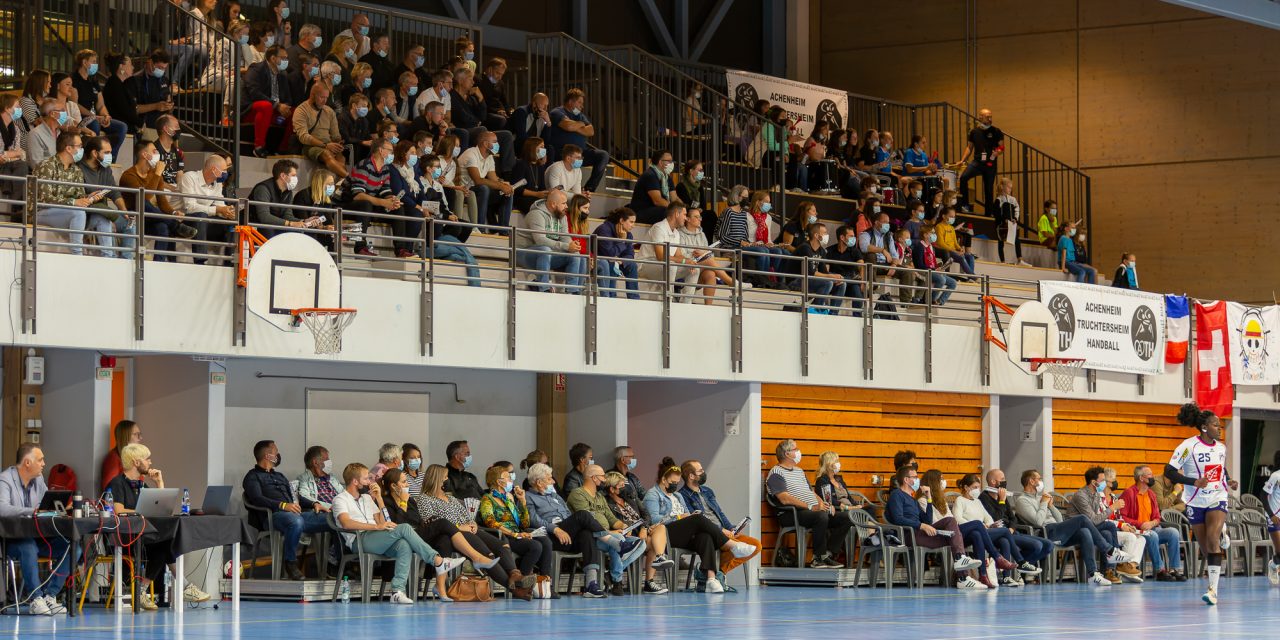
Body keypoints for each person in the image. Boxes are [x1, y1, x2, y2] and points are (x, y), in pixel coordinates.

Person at [333, 463, 464, 604]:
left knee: (403, 545)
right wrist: (376, 527)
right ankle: (437, 561)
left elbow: (384, 521)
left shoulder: (366, 498)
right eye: (366, 479)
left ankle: (397, 591)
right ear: (355, 481)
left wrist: (379, 499)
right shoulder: (340, 499)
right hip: (358, 540)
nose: (370, 482)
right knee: (404, 528)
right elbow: (346, 523)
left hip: (376, 537)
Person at [107, 444, 211, 607]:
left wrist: (159, 483)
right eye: (147, 459)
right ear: (136, 462)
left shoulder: (142, 485)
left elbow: (162, 510)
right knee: (164, 543)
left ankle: (142, 591)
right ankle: (182, 586)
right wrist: (141, 511)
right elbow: (119, 510)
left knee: (165, 542)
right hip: (126, 537)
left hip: (144, 535)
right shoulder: (118, 482)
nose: (150, 462)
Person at [1166, 402, 1238, 605]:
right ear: (1205, 427)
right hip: (1194, 500)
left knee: (1213, 538)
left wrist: (1229, 480)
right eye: (1216, 425)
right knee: (1207, 549)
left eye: (1220, 425)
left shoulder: (1222, 448)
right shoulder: (1188, 447)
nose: (1220, 428)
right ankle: (1222, 532)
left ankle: (1212, 590)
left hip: (1217, 496)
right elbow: (1169, 471)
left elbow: (1221, 470)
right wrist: (1193, 481)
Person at [1011, 468, 1134, 586]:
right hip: (1046, 533)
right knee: (1082, 519)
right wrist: (1043, 503)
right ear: (1031, 481)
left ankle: (1093, 575)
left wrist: (1051, 506)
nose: (1041, 481)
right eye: (1039, 478)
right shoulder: (1022, 501)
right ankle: (1109, 551)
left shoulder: (1040, 498)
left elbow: (1059, 519)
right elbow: (1038, 522)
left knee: (1085, 531)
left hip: (1058, 529)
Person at [0, 444, 80, 615]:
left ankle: (50, 596)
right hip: (12, 540)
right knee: (28, 546)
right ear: (27, 462)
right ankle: (35, 599)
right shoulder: (5, 479)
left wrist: (62, 510)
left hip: (38, 537)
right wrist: (33, 512)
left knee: (73, 547)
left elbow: (46, 508)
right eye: (40, 459)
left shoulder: (39, 479)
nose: (44, 463)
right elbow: (2, 509)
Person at [242, 440, 332, 580]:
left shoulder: (280, 476)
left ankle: (334, 565)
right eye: (276, 452)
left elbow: (295, 497)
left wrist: (314, 503)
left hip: (296, 514)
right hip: (273, 517)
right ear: (268, 456)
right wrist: (283, 505)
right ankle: (290, 563)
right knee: (295, 521)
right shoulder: (252, 477)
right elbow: (257, 499)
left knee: (333, 518)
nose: (278, 454)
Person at [884, 466, 985, 589]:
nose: (918, 480)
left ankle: (963, 578)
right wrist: (921, 525)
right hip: (909, 535)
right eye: (915, 477)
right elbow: (898, 518)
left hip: (920, 534)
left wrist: (929, 498)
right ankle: (961, 565)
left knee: (952, 535)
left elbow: (927, 519)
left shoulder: (912, 499)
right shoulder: (897, 495)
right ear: (906, 480)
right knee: (950, 521)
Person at [524, 462, 609, 597]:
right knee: (582, 514)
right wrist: (556, 529)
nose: (553, 481)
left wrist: (569, 527)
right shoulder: (528, 497)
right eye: (549, 478)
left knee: (586, 534)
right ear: (539, 482)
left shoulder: (555, 496)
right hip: (551, 536)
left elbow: (568, 514)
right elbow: (533, 520)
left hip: (567, 535)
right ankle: (609, 539)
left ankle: (591, 585)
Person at [765, 439, 852, 569]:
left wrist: (825, 504)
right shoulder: (776, 473)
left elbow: (811, 492)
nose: (798, 451)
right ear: (787, 454)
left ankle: (827, 554)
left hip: (811, 511)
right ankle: (818, 558)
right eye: (795, 449)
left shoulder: (799, 471)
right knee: (821, 516)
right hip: (791, 513)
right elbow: (784, 499)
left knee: (847, 517)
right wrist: (811, 507)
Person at [566, 464, 649, 595]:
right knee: (618, 541)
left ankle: (611, 575)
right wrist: (611, 533)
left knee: (641, 543)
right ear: (594, 478)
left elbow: (611, 519)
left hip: (609, 537)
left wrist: (623, 526)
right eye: (602, 476)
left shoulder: (599, 497)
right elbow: (588, 521)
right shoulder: (577, 494)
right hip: (590, 537)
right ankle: (617, 581)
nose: (604, 480)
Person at [677, 459, 762, 585]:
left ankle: (717, 572)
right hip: (708, 533)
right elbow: (696, 520)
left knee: (756, 545)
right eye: (700, 470)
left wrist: (731, 528)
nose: (703, 472)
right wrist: (721, 531)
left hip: (724, 531)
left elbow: (719, 513)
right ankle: (712, 574)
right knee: (738, 547)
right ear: (691, 476)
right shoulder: (682, 496)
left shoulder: (707, 491)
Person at [953, 472, 1044, 587]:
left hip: (982, 532)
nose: (977, 490)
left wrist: (991, 525)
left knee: (1003, 540)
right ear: (966, 488)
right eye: (974, 487)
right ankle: (1020, 562)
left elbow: (988, 518)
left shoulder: (977, 501)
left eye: (978, 487)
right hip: (968, 532)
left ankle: (1003, 577)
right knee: (1001, 531)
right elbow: (957, 519)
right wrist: (980, 525)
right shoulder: (960, 500)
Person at [33, 131, 115, 256]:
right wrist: (73, 202)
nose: (83, 149)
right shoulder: (46, 166)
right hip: (40, 212)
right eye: (80, 146)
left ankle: (108, 257)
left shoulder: (76, 170)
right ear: (69, 148)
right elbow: (45, 200)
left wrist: (89, 197)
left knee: (102, 217)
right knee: (78, 212)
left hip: (68, 213)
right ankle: (77, 255)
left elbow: (79, 197)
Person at [478, 465, 551, 600]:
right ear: (499, 481)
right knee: (535, 546)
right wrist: (514, 534)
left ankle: (544, 581)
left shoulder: (509, 497)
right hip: (503, 536)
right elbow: (490, 522)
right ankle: (520, 583)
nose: (512, 479)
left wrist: (522, 501)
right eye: (508, 477)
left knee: (544, 540)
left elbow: (524, 524)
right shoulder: (487, 499)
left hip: (517, 533)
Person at [976, 469, 1053, 582]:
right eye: (1002, 479)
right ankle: (1020, 565)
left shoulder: (1002, 496)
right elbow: (996, 518)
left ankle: (1017, 569)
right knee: (1037, 545)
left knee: (1048, 544)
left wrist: (1012, 528)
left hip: (1011, 532)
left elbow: (1013, 518)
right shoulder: (984, 498)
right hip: (999, 534)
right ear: (993, 481)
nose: (1005, 481)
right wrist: (1001, 501)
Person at [603, 471, 671, 594]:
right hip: (627, 536)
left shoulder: (630, 498)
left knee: (660, 528)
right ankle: (647, 581)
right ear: (612, 489)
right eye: (621, 485)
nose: (625, 487)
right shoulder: (607, 503)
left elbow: (646, 515)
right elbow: (613, 523)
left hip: (642, 532)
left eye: (625, 483)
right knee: (651, 543)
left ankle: (660, 558)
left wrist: (644, 528)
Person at [1119, 465, 1187, 581]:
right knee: (1153, 535)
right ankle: (1159, 570)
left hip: (1152, 528)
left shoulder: (1151, 494)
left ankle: (1174, 569)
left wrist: (1152, 523)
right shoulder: (1129, 493)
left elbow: (1157, 517)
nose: (1153, 477)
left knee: (1173, 532)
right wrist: (1140, 524)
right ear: (1141, 478)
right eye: (1149, 475)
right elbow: (1122, 517)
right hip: (1137, 530)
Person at [77, 135, 136, 259]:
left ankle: (127, 260)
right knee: (104, 217)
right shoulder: (78, 169)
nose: (110, 156)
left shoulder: (106, 169)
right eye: (107, 152)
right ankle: (111, 259)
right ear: (94, 153)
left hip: (105, 212)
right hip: (86, 215)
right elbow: (80, 198)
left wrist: (123, 211)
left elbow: (114, 192)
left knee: (129, 223)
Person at [515, 189, 585, 293]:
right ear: (553, 204)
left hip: (546, 255)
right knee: (544, 249)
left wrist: (571, 245)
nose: (567, 206)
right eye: (564, 203)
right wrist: (566, 247)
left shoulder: (562, 216)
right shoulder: (536, 214)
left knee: (576, 254)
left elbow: (565, 237)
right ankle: (544, 288)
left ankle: (574, 291)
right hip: (523, 253)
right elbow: (540, 240)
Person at [176, 154, 236, 264]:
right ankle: (200, 260)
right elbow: (190, 207)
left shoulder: (217, 184)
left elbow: (220, 204)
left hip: (204, 222)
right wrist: (217, 210)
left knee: (232, 223)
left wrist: (227, 211)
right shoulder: (189, 177)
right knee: (201, 216)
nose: (226, 173)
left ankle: (230, 262)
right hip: (184, 220)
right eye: (224, 170)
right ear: (214, 170)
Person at [545, 89, 608, 192]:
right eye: (579, 102)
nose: (581, 106)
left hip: (580, 154)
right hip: (563, 153)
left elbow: (591, 131)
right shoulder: (557, 112)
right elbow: (569, 126)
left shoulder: (579, 115)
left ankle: (589, 188)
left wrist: (575, 125)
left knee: (603, 155)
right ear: (570, 102)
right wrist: (581, 124)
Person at [241, 46, 294, 158]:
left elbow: (288, 98)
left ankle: (283, 149)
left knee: (296, 112)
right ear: (273, 58)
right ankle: (259, 146)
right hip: (252, 110)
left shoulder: (283, 75)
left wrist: (285, 107)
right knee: (266, 106)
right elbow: (254, 92)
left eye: (287, 58)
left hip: (275, 111)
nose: (286, 61)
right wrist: (276, 105)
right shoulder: (256, 69)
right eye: (283, 58)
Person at [459, 130, 514, 228]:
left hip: (477, 190)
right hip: (464, 190)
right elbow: (478, 180)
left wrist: (504, 184)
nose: (498, 144)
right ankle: (480, 227)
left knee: (507, 191)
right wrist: (501, 185)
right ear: (485, 143)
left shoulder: (489, 157)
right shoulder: (471, 154)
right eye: (495, 142)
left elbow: (493, 179)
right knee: (483, 188)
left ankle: (504, 229)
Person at [292, 82, 347, 178]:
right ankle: (349, 179)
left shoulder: (329, 111)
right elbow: (304, 137)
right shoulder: (301, 110)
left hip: (328, 144)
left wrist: (339, 143)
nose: (325, 101)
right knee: (326, 154)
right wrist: (325, 145)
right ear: (312, 95)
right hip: (310, 146)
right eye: (322, 97)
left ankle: (342, 182)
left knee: (341, 157)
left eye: (327, 98)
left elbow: (335, 135)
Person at [957, 108, 1003, 213]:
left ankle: (988, 215)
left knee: (988, 190)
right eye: (987, 116)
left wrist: (998, 152)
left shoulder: (996, 131)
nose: (990, 118)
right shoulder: (974, 132)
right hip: (977, 162)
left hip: (990, 164)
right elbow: (969, 147)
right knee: (963, 178)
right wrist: (962, 160)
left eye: (991, 116)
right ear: (980, 117)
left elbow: (1001, 147)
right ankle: (965, 205)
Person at [792, 222, 846, 312]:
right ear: (816, 235)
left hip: (809, 280)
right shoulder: (805, 248)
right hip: (797, 281)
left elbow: (824, 272)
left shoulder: (821, 251)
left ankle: (833, 314)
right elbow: (810, 272)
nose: (827, 235)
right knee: (827, 283)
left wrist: (836, 277)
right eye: (824, 233)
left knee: (841, 284)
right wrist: (832, 277)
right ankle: (817, 309)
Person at [593, 207, 640, 299]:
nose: (633, 225)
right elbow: (609, 253)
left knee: (632, 265)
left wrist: (622, 261)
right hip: (601, 262)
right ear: (622, 220)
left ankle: (634, 299)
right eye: (631, 222)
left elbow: (630, 254)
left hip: (617, 262)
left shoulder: (628, 234)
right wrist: (622, 241)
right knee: (611, 263)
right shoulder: (604, 229)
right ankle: (611, 297)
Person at [628, 149, 681, 225]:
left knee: (687, 213)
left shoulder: (667, 177)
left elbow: (674, 198)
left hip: (655, 210)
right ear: (660, 162)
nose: (672, 163)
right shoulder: (650, 175)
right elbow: (658, 201)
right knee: (667, 212)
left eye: (671, 161)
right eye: (669, 161)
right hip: (641, 212)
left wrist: (684, 209)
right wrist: (675, 209)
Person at [993, 177, 1031, 266]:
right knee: (1001, 241)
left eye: (1011, 187)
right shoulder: (998, 200)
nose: (1010, 189)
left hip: (1011, 223)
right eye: (1009, 187)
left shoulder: (1012, 199)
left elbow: (1017, 208)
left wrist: (1015, 218)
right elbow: (996, 213)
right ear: (1002, 187)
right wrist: (1003, 220)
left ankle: (1020, 259)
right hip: (1001, 224)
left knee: (1017, 240)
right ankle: (1002, 261)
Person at [509, 137, 550, 213]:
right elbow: (517, 188)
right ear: (532, 148)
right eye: (541, 147)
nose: (544, 149)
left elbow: (542, 188)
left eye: (544, 147)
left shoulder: (540, 167)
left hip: (535, 198)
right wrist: (536, 194)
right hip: (522, 199)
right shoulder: (521, 164)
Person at [101, 420, 142, 490]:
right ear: (125, 436)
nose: (140, 438)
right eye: (136, 434)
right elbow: (109, 489)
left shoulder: (134, 458)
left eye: (140, 434)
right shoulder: (113, 458)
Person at [1262, 461, 1280, 586]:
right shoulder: (1276, 476)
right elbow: (1263, 496)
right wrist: (1271, 515)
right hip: (1275, 517)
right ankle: (1273, 566)